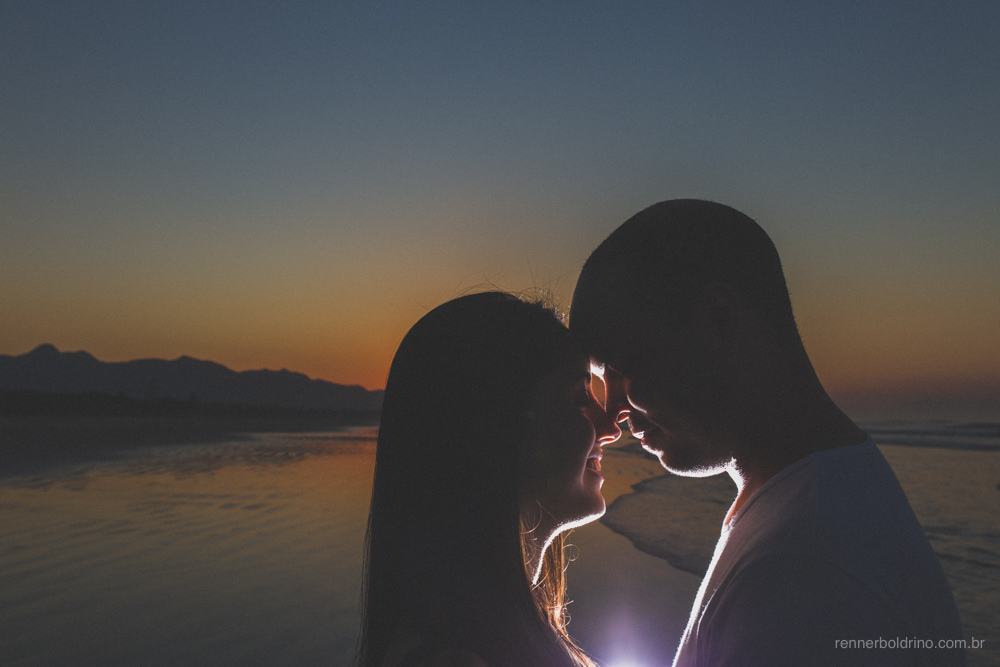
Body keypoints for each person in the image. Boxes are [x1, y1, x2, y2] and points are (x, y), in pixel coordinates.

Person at [569, 199, 965, 666]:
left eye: (626, 366)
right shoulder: (813, 513)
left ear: (719, 321)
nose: (612, 409)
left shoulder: (803, 579)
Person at [357, 292, 621, 667]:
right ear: (495, 425)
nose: (611, 427)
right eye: (581, 399)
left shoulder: (490, 631)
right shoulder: (455, 658)